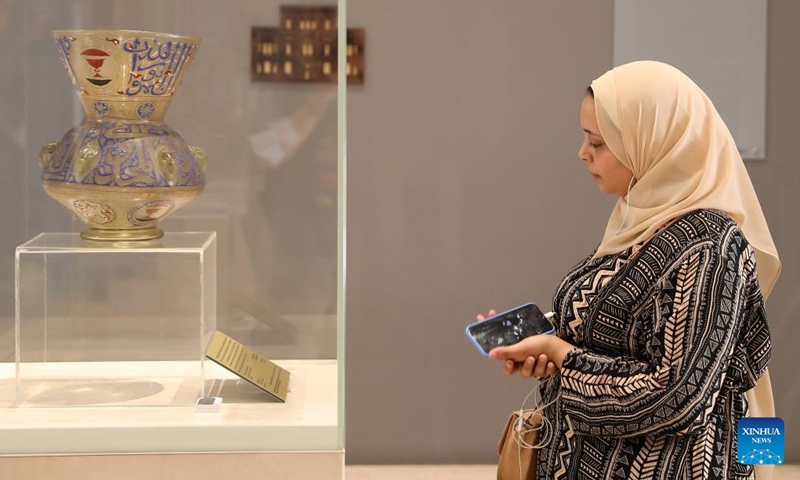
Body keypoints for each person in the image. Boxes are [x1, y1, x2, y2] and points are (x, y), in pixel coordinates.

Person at [481, 61, 781, 480]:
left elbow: (678, 396)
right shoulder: (639, 223)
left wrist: (564, 358)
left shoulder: (711, 245)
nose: (582, 152)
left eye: (598, 142)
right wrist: (545, 340)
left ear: (654, 142)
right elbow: (624, 334)